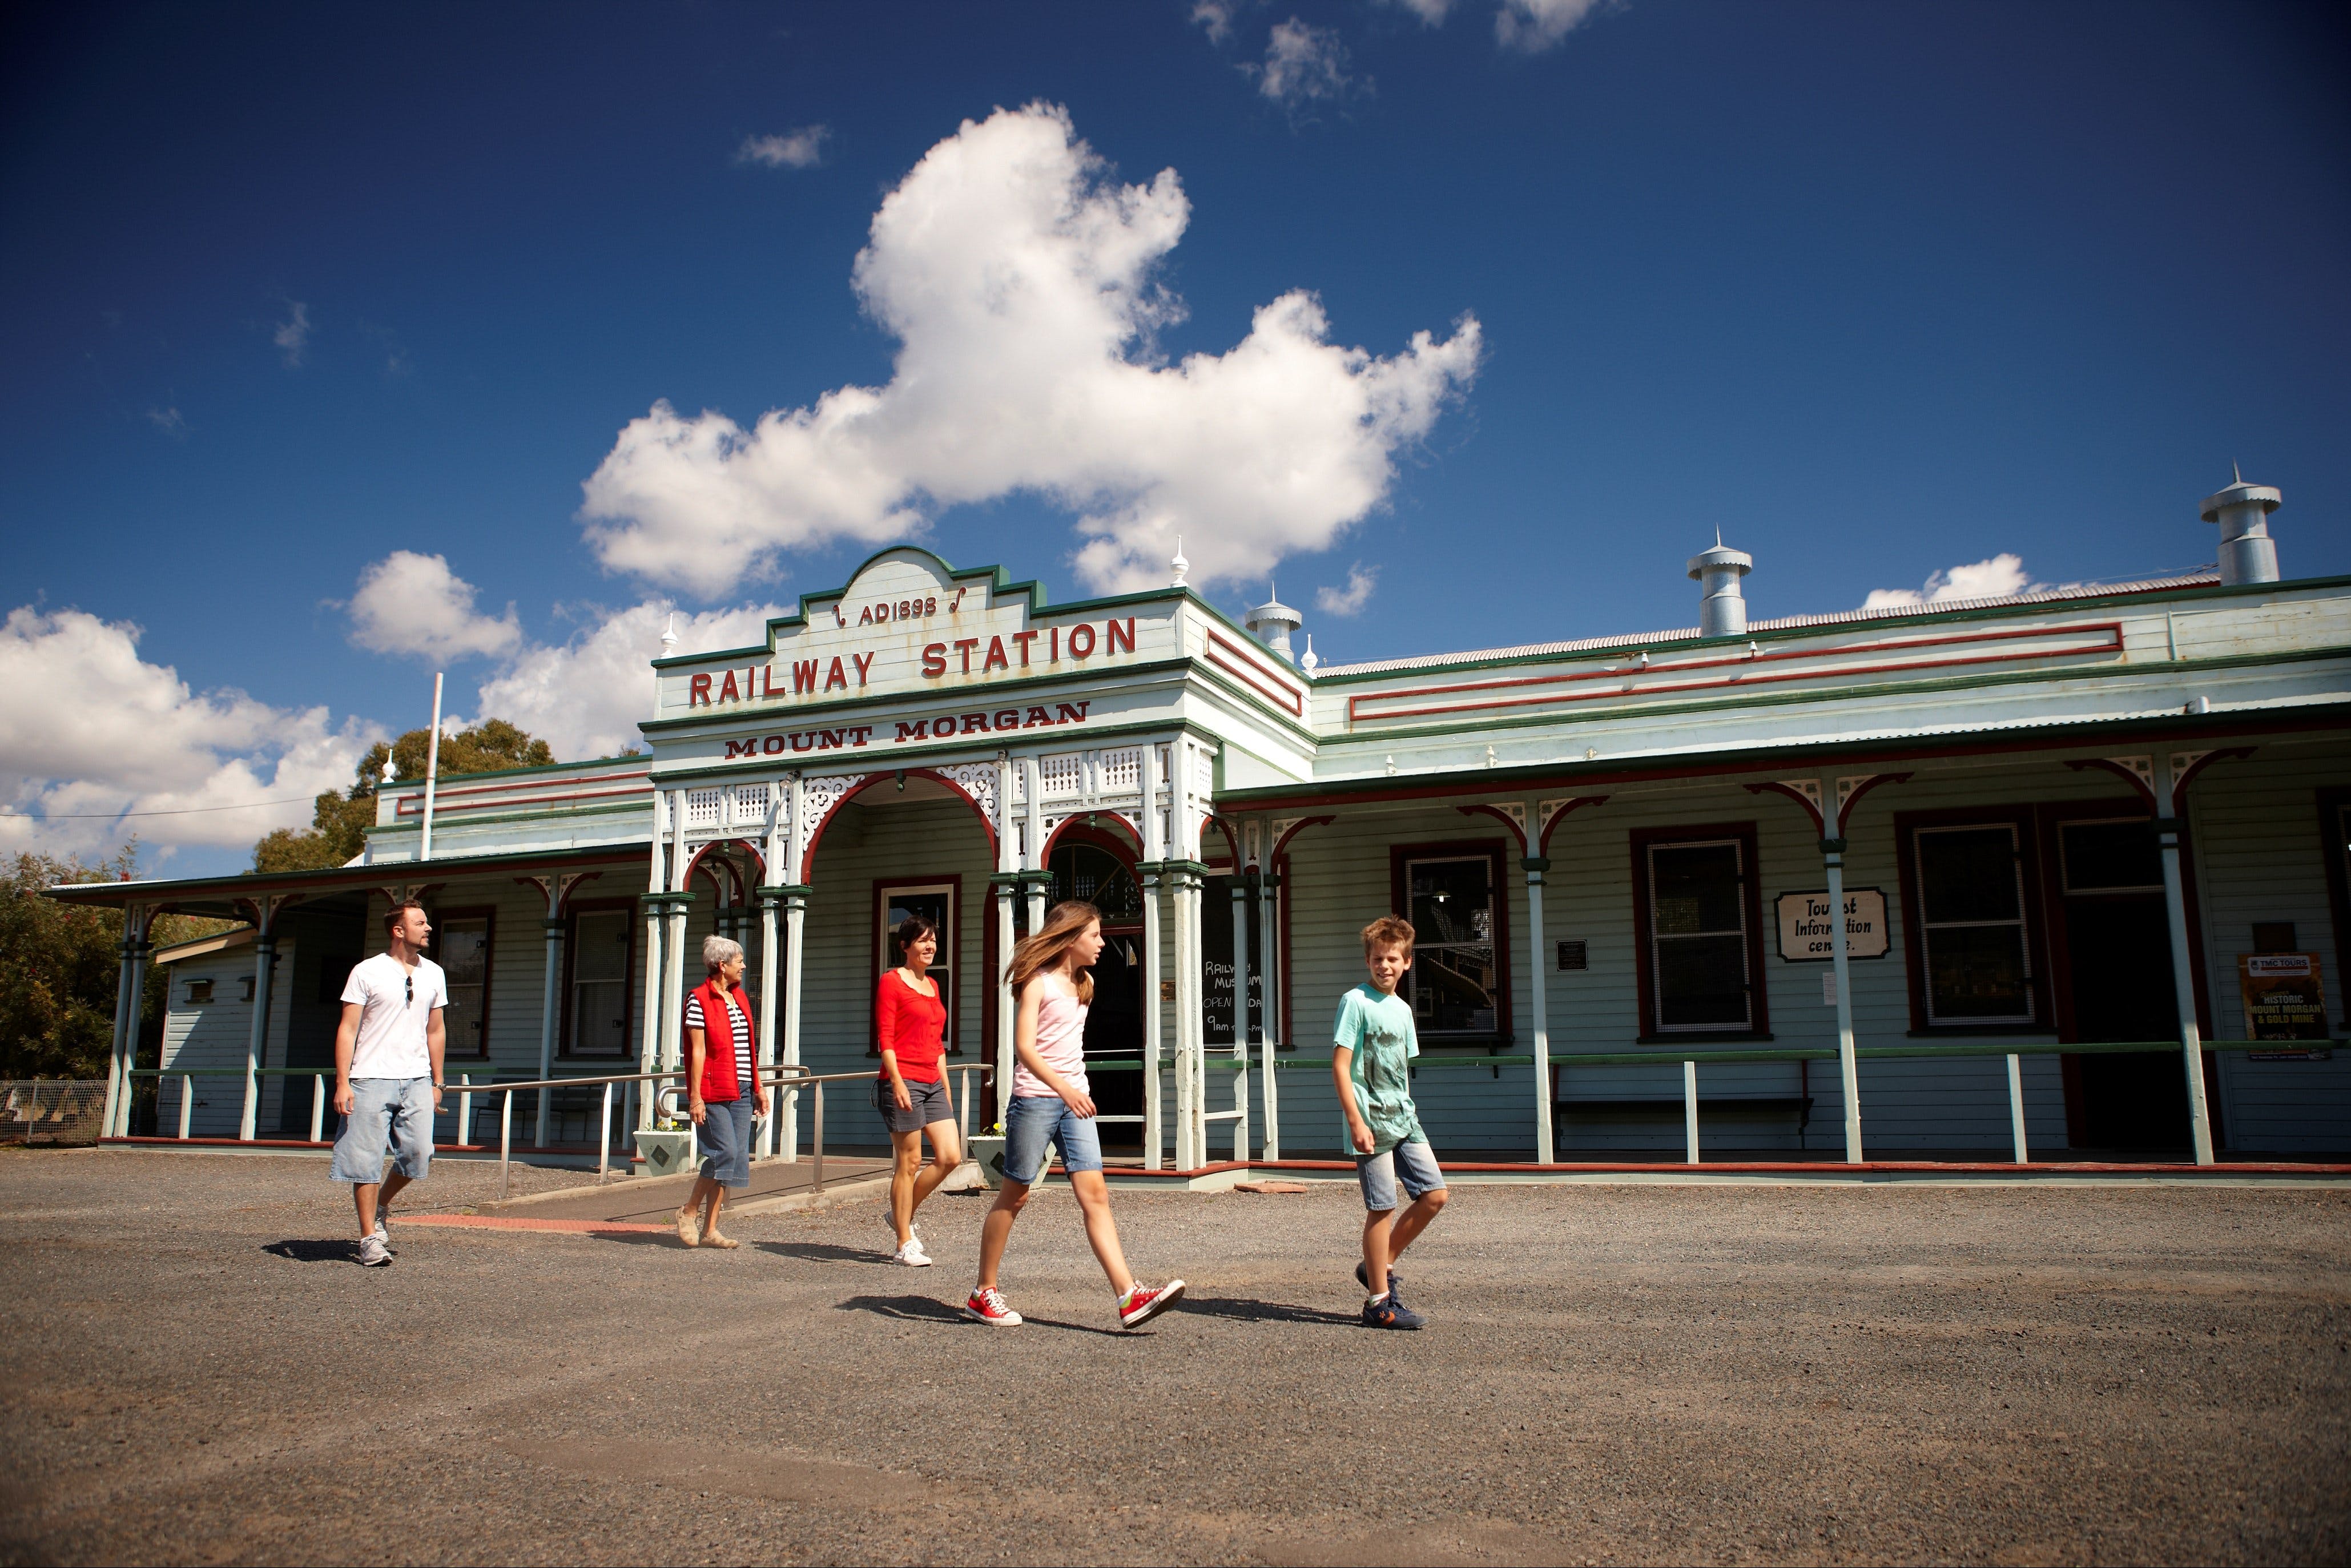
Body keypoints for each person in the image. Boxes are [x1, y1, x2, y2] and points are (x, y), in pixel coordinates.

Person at [964, 900, 1184, 1331]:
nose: (1102, 942)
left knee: (1095, 1195)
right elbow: (1025, 1046)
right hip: (1034, 1100)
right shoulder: (1037, 983)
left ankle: (1128, 1296)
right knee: (1016, 1194)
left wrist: (1073, 1089)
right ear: (1070, 937)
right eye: (1095, 935)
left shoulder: (1085, 984)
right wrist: (1063, 1087)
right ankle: (982, 1292)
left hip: (1074, 1101)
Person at [1332, 914, 1448, 1329]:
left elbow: (1400, 1069)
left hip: (1404, 1117)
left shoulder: (1402, 1010)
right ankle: (1378, 1303)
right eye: (1378, 958)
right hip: (1370, 1121)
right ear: (1368, 960)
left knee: (1435, 1194)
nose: (1385, 965)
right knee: (1382, 1206)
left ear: (1407, 962)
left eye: (1393, 958)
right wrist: (1355, 1120)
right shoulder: (1356, 1002)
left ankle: (1379, 1264)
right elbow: (1341, 1066)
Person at [329, 900, 447, 1267]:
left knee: (419, 1153)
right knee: (364, 1161)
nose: (428, 928)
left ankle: (382, 1204)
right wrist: (342, 1081)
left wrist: (437, 1081)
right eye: (420, 923)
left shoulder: (435, 974)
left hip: (416, 1079)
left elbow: (436, 1029)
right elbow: (348, 1028)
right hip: (369, 1078)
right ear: (399, 931)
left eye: (427, 923)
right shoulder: (368, 971)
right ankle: (368, 1240)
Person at [875, 914, 963, 1265]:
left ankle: (900, 1212)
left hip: (932, 1080)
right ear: (905, 946)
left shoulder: (934, 985)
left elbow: (937, 1041)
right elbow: (886, 1037)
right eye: (923, 940)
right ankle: (903, 1241)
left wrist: (945, 1083)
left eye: (933, 941)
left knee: (950, 1157)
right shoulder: (891, 982)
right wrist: (896, 1081)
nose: (930, 946)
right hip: (903, 1079)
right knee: (909, 1162)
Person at [676, 936, 769, 1249]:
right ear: (722, 965)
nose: (743, 966)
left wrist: (758, 1088)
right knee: (724, 1152)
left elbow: (748, 1048)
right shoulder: (698, 998)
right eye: (739, 961)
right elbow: (697, 1051)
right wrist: (696, 1096)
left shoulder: (739, 997)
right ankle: (689, 1211)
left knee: (736, 1157)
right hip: (714, 1089)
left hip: (742, 1089)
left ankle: (710, 1230)